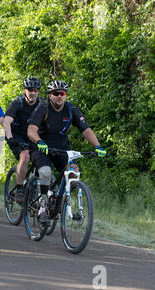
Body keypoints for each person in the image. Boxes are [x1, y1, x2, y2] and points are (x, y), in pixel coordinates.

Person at [27, 80, 106, 226]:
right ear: (50, 95)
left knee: (73, 173)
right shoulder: (42, 108)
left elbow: (86, 130)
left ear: (65, 95)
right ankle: (42, 208)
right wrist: (39, 142)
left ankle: (62, 202)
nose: (59, 96)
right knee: (45, 172)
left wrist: (98, 146)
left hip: (62, 147)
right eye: (55, 93)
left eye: (62, 93)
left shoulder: (71, 110)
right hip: (41, 146)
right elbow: (31, 130)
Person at [3, 77, 42, 203]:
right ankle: (20, 190)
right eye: (30, 90)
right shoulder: (17, 103)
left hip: (32, 136)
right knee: (25, 156)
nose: (33, 93)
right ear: (25, 90)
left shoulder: (41, 105)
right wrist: (9, 137)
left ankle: (35, 188)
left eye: (36, 90)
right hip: (16, 136)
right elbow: (7, 120)